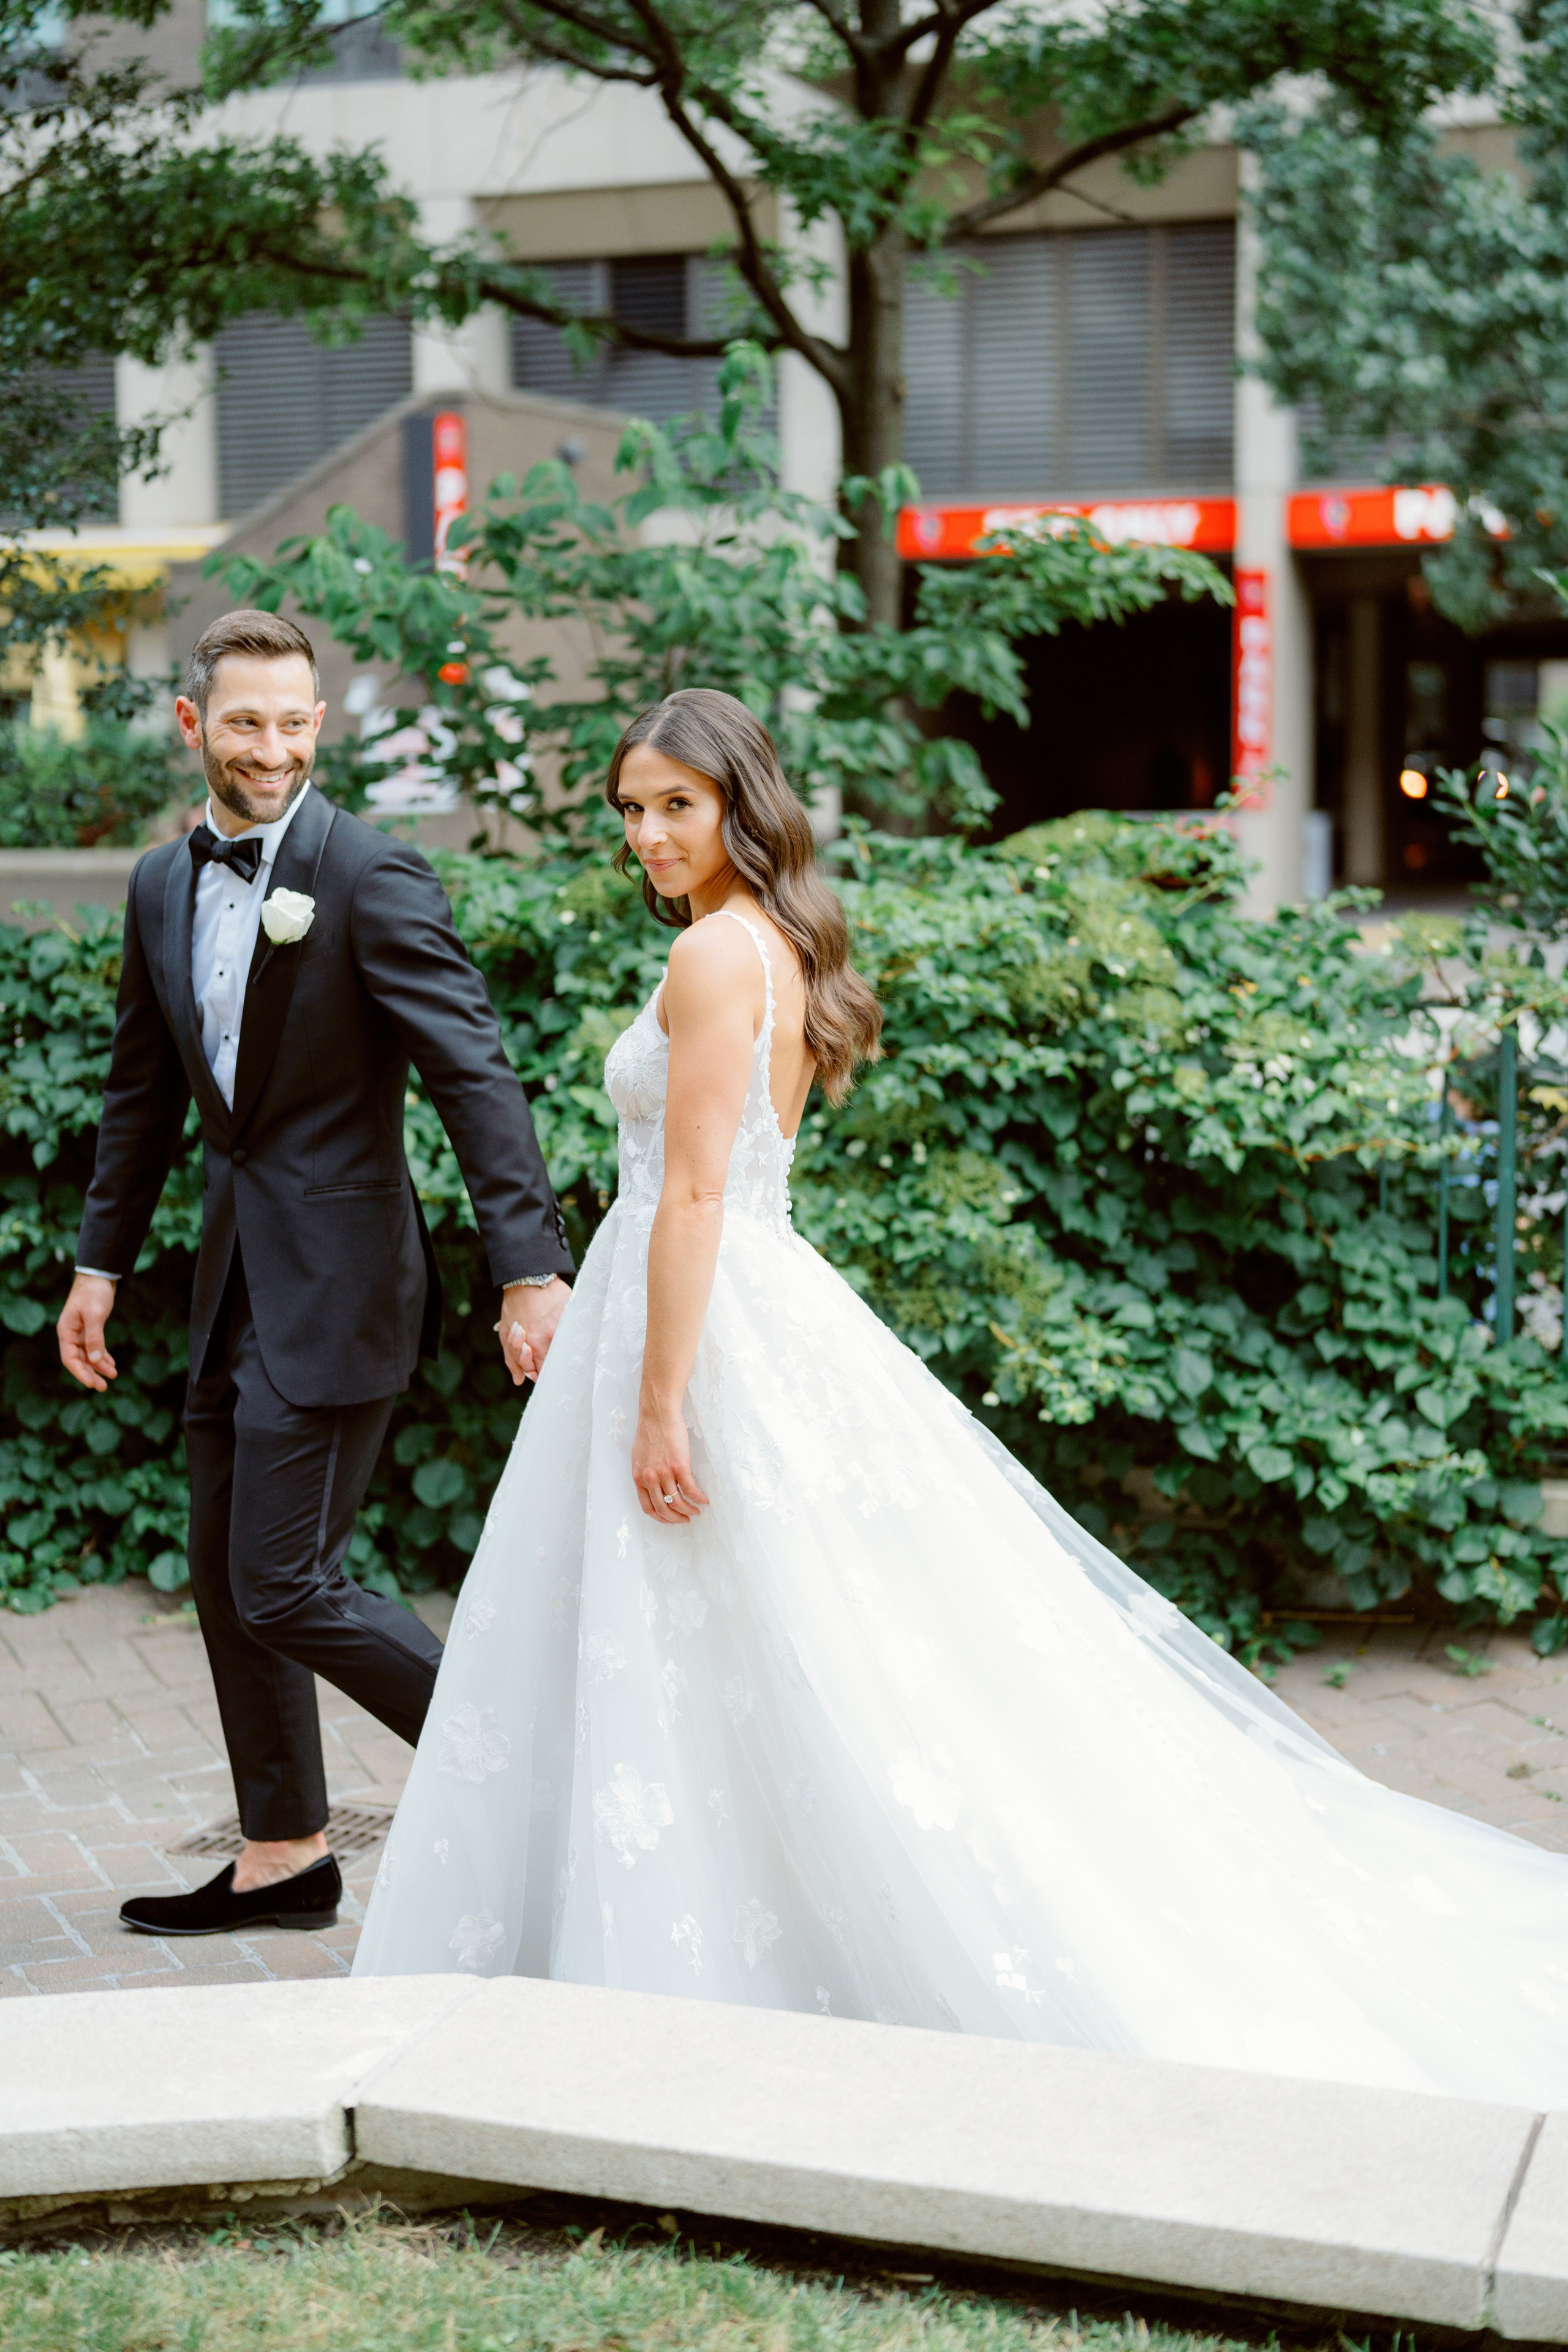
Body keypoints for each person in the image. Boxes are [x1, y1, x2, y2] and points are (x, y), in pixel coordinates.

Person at [355, 685, 1568, 2106]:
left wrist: (658, 1400)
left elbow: (689, 1192)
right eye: (630, 809)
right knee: (775, 1638)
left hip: (697, 1313)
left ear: (740, 804)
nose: (647, 833)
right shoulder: (770, 943)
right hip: (746, 1291)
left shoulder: (711, 964)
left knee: (743, 1626)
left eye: (675, 805)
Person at [58, 609, 575, 1940]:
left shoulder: (370, 876)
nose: (274, 746)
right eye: (246, 721)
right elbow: (143, 1091)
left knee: (284, 1578)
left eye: (295, 721)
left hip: (345, 1283)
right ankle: (283, 1852)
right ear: (194, 725)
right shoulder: (162, 885)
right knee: (225, 1571)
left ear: (319, 723)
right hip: (235, 1281)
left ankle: (527, 1772)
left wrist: (529, 1269)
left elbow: (473, 1073)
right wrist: (98, 1264)